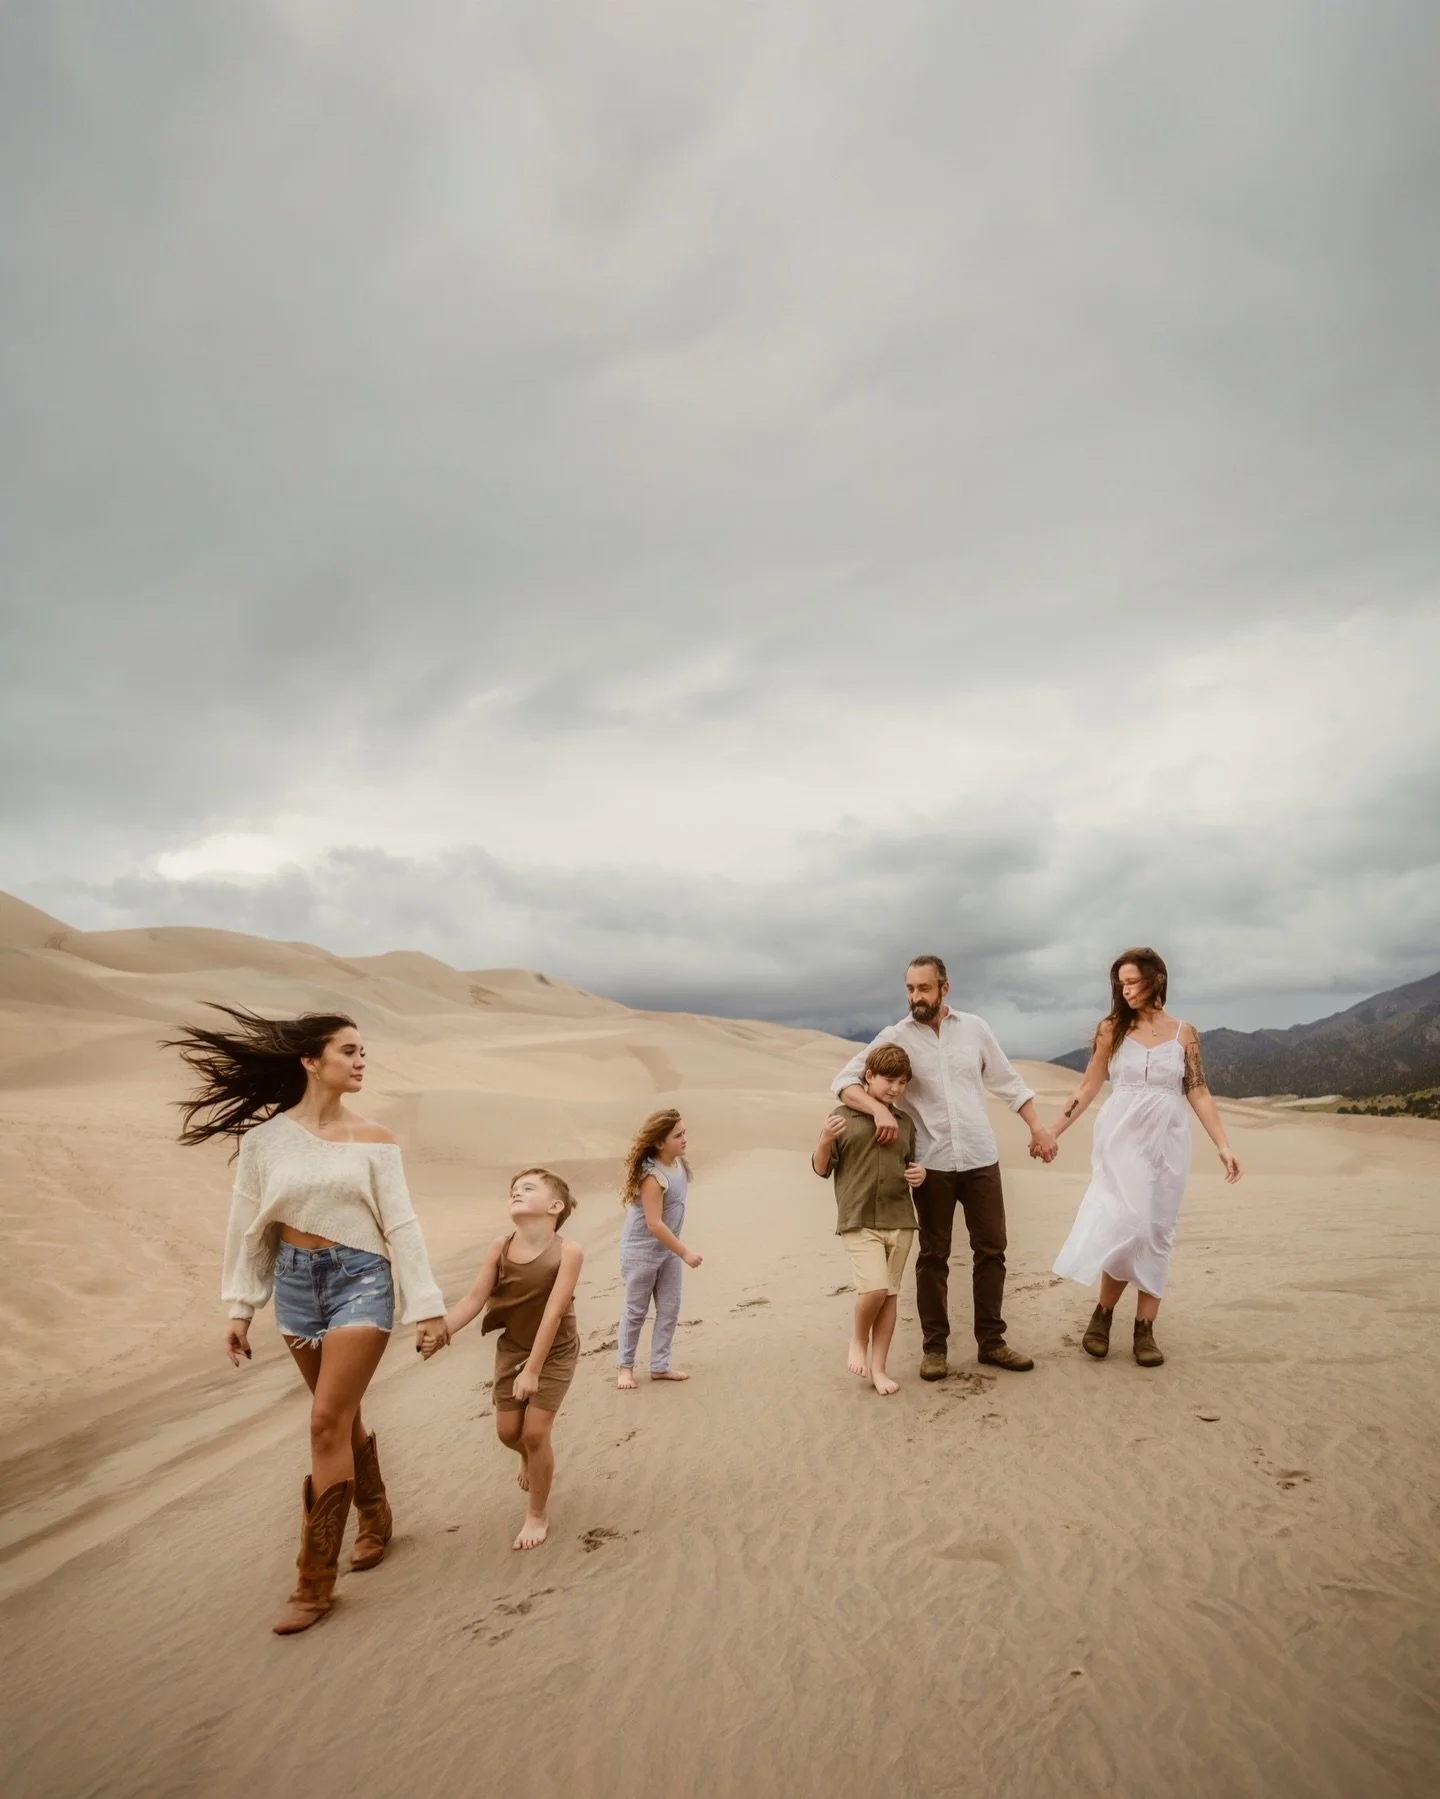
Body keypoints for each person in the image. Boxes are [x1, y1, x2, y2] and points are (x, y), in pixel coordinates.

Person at [168, 1006, 448, 1635]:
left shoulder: (375, 1140)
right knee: (339, 1418)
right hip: (295, 1288)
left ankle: (313, 1586)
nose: (360, 1061)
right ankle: (374, 1511)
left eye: (362, 1051)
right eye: (348, 1051)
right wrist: (241, 1307)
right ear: (310, 1061)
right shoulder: (264, 1142)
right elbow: (248, 1226)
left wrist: (426, 1306)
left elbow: (400, 1222)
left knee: (323, 1420)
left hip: (362, 1281)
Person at [833, 955, 1057, 1380]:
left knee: (992, 1250)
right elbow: (843, 1081)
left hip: (979, 1158)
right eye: (910, 990)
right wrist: (878, 1112)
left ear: (944, 989)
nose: (916, 997)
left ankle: (992, 1342)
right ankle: (934, 1348)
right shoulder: (895, 1036)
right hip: (931, 1164)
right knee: (933, 1257)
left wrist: (1037, 1129)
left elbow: (1009, 1083)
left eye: (924, 989)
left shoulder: (975, 1029)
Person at [1050, 948, 1242, 1366]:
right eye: (1121, 983)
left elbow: (1198, 1091)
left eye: (1133, 981)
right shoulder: (1111, 1030)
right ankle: (1102, 1314)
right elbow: (1087, 1087)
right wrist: (1053, 1130)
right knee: (1127, 1224)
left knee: (1157, 1230)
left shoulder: (1184, 1033)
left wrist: (1223, 1145)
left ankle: (1145, 1330)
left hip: (1168, 1143)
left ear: (1157, 979)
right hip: (1122, 1140)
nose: (1126, 989)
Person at [421, 1168, 582, 1550]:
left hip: (554, 1350)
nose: (517, 1192)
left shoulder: (568, 1251)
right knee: (509, 1433)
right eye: (513, 1189)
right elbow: (474, 1299)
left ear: (555, 1206)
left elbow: (554, 1313)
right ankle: (529, 1457)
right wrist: (442, 1331)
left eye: (528, 1188)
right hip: (513, 1348)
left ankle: (537, 1515)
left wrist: (533, 1370)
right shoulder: (500, 1246)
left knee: (535, 1432)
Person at [811, 1043, 927, 1395]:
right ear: (869, 1076)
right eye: (889, 1080)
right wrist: (825, 1139)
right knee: (874, 1288)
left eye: (902, 1083)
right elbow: (820, 1168)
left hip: (901, 1219)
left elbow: (911, 1164)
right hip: (858, 1219)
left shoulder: (906, 1123)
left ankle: (879, 1370)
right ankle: (858, 1340)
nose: (895, 1089)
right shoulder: (841, 1118)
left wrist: (920, 1175)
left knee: (890, 1296)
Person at [615, 1109, 701, 1391]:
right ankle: (625, 1368)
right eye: (678, 1135)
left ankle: (659, 1366)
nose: (684, 1139)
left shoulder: (678, 1165)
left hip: (667, 1251)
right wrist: (684, 1252)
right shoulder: (651, 1176)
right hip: (641, 1252)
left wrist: (675, 1251)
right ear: (659, 1143)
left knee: (669, 1307)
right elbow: (654, 1223)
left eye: (684, 1132)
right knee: (636, 1310)